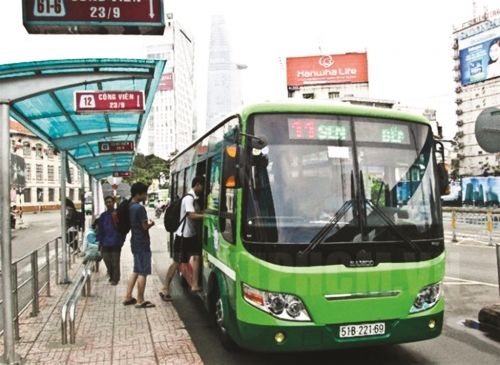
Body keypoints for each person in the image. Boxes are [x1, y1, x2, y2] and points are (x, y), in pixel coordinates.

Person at [160, 176, 205, 301]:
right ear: (197, 185)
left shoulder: (193, 199)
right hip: (183, 236)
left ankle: (195, 285)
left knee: (196, 257)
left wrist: (202, 212)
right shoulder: (188, 199)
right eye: (202, 186)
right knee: (176, 263)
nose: (202, 189)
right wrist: (206, 215)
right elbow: (191, 216)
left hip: (191, 235)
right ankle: (165, 288)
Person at [123, 182, 156, 308]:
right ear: (138, 194)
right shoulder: (140, 208)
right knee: (143, 272)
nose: (146, 195)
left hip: (134, 242)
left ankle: (128, 296)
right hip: (142, 243)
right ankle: (140, 300)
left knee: (136, 269)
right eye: (145, 193)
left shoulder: (130, 206)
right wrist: (151, 224)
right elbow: (144, 226)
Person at [96, 196, 125, 285]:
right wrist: (100, 242)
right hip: (105, 243)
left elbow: (123, 228)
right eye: (107, 202)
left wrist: (121, 240)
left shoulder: (118, 214)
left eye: (110, 202)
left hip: (116, 242)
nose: (108, 204)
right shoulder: (103, 216)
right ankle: (112, 276)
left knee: (115, 262)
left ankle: (115, 279)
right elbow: (100, 229)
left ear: (113, 202)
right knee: (107, 260)